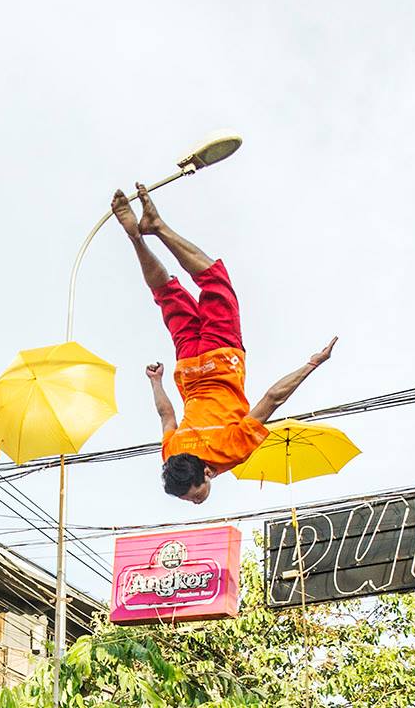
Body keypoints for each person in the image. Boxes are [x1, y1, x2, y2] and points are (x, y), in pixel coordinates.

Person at [110, 185, 337, 503]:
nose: (196, 501)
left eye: (196, 494)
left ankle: (157, 226)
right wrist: (156, 381)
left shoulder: (231, 451)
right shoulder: (172, 456)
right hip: (187, 367)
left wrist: (311, 365)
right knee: (167, 295)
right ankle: (136, 237)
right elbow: (165, 415)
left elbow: (273, 398)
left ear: (207, 473)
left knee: (215, 280)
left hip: (222, 358)